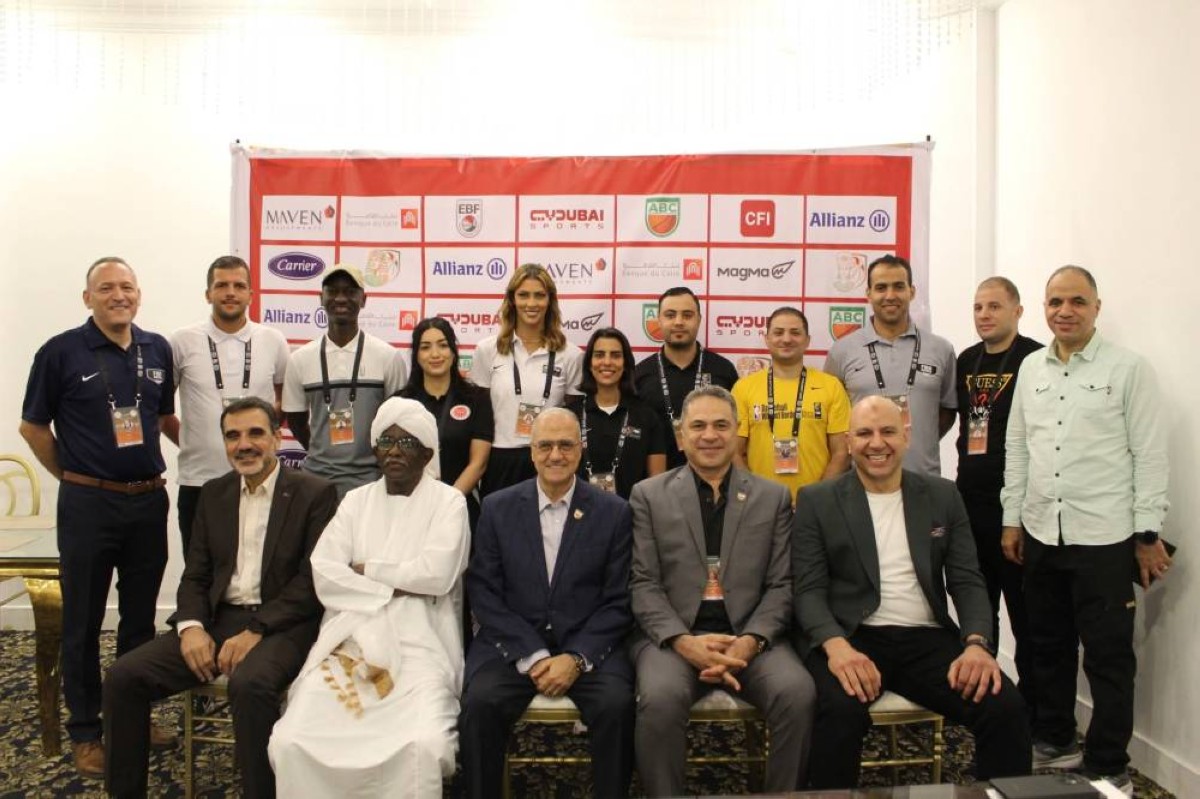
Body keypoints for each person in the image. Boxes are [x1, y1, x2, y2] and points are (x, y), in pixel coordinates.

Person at [102, 397, 338, 799]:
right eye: (233, 436)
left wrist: (257, 630)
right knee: (123, 677)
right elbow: (196, 574)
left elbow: (311, 582)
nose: (243, 445)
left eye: (255, 433)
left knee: (249, 685)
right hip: (218, 619)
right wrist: (191, 627)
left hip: (282, 625)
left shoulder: (314, 493)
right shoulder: (214, 494)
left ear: (276, 438)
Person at [793, 395, 1031, 789]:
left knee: (1004, 705)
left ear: (906, 436)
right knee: (838, 713)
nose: (877, 443)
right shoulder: (817, 500)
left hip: (926, 638)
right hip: (852, 635)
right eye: (864, 433)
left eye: (887, 431)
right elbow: (808, 590)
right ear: (848, 442)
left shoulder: (942, 495)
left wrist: (976, 644)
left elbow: (967, 579)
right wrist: (836, 648)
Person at [1001, 266, 1170, 796]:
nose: (1065, 311)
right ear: (1044, 308)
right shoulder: (1031, 367)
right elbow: (1017, 447)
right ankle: (1055, 739)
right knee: (1046, 646)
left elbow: (1149, 454)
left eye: (1077, 301)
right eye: (1055, 302)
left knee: (1108, 656)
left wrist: (1148, 532)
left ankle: (1108, 762)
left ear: (1097, 307)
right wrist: (1012, 518)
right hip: (1041, 532)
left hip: (1105, 536)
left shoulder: (1128, 369)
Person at [19, 257, 176, 777]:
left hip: (148, 502)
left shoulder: (157, 349)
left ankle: (132, 716)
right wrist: (73, 476)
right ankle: (86, 732)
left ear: (139, 294)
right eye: (106, 288)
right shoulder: (60, 352)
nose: (118, 295)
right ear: (88, 298)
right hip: (89, 506)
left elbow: (161, 417)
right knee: (82, 622)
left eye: (126, 286)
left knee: (140, 620)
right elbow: (32, 427)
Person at [270, 398, 470, 798]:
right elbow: (325, 572)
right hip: (349, 638)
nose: (394, 451)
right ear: (374, 450)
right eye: (385, 442)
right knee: (291, 740)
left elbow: (436, 575)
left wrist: (366, 569)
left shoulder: (449, 502)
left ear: (427, 454)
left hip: (422, 641)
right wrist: (397, 583)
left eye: (407, 443)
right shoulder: (355, 501)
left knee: (422, 744)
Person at [629, 385, 815, 796]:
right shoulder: (648, 496)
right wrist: (684, 642)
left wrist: (750, 641)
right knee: (660, 699)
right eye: (698, 426)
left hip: (750, 638)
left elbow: (782, 584)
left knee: (797, 693)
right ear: (681, 436)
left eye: (721, 425)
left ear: (737, 432)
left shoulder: (773, 497)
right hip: (674, 639)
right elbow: (643, 583)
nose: (710, 435)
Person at [459, 408, 635, 799]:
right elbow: (484, 591)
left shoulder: (614, 512)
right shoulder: (497, 508)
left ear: (580, 449)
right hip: (512, 645)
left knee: (617, 706)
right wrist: (534, 654)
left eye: (566, 445)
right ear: (531, 451)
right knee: (480, 705)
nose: (556, 455)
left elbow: (618, 600)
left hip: (588, 645)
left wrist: (576, 658)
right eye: (545, 446)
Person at [954, 277, 1043, 714]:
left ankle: (1033, 707)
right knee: (977, 609)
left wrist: (1019, 514)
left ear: (1017, 311)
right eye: (978, 307)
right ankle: (981, 703)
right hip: (969, 502)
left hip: (1015, 507)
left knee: (1026, 615)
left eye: (994, 306)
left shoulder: (1035, 359)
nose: (984, 315)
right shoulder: (966, 360)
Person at [163, 255, 290, 553]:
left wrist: (261, 441)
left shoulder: (273, 340)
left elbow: (284, 400)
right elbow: (162, 411)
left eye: (239, 286)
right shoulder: (181, 342)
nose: (230, 292)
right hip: (199, 481)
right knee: (200, 569)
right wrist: (192, 441)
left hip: (259, 479)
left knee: (260, 567)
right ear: (208, 294)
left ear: (251, 294)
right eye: (221, 285)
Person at [823, 255, 956, 476]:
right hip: (861, 481)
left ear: (911, 292)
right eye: (881, 288)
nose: (890, 295)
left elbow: (947, 411)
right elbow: (833, 418)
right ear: (868, 294)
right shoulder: (842, 351)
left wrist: (908, 439)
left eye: (898, 287)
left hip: (923, 479)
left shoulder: (941, 349)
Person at [283, 265, 407, 498]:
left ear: (363, 299)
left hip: (371, 481)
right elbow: (296, 420)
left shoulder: (388, 357)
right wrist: (322, 453)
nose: (341, 298)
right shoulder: (300, 359)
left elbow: (398, 422)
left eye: (350, 292)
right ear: (321, 298)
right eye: (333, 291)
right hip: (316, 481)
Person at [469, 263, 583, 495]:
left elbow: (575, 418)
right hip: (500, 459)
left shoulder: (571, 355)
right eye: (523, 295)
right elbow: (480, 416)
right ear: (512, 300)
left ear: (550, 301)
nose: (531, 303)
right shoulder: (487, 350)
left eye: (539, 295)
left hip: (549, 459)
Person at [732, 306, 850, 502]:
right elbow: (734, 453)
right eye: (778, 332)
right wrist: (755, 495)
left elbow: (842, 453)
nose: (786, 339)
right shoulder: (743, 388)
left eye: (795, 332)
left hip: (817, 503)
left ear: (807, 340)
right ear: (766, 339)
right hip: (759, 503)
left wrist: (817, 498)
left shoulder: (831, 386)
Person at [397, 316, 493, 526]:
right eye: (425, 347)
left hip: (459, 506)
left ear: (453, 351)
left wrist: (447, 502)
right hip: (409, 507)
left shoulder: (477, 399)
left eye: (442, 345)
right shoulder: (400, 402)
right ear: (416, 355)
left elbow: (478, 463)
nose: (435, 354)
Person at [634, 287, 739, 470]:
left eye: (687, 315)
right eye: (670, 315)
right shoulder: (640, 374)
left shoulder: (723, 370)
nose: (679, 322)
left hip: (713, 476)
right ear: (659, 320)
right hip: (655, 479)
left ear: (699, 320)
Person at [566, 327, 668, 499]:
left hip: (633, 512)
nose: (607, 362)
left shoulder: (647, 417)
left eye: (615, 355)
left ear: (626, 364)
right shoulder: (570, 416)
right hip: (579, 512)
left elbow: (657, 484)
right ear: (589, 364)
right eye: (599, 355)